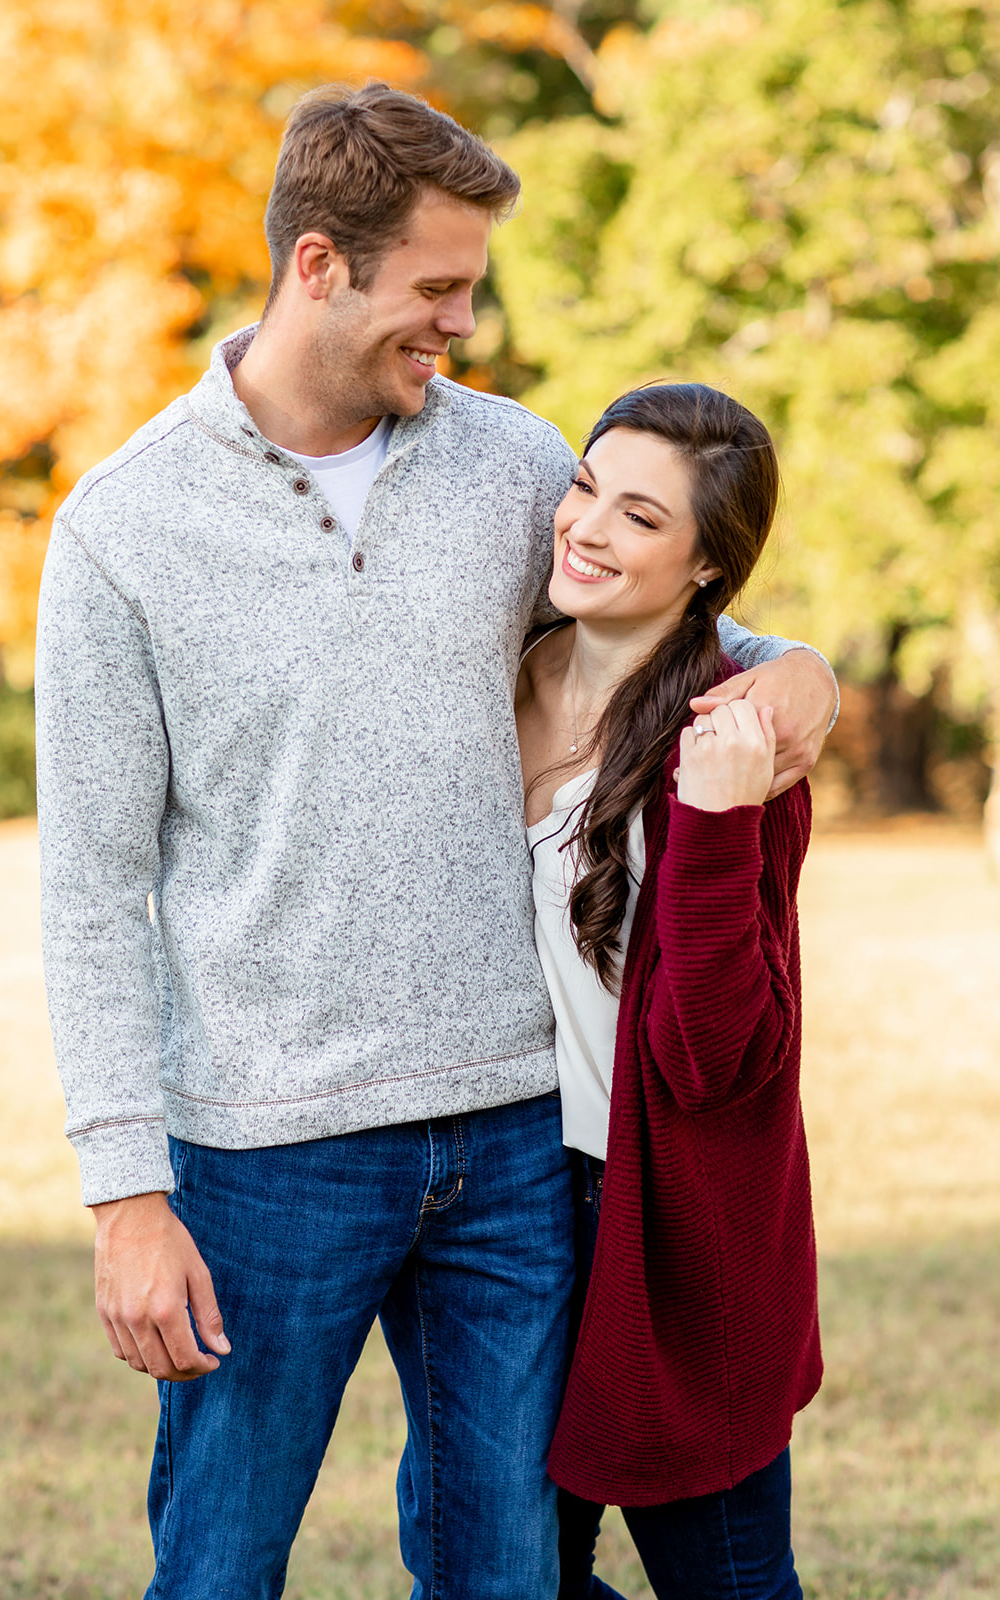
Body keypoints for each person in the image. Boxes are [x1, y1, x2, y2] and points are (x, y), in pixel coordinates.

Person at [35, 84, 835, 1599]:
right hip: (267, 1152)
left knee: (501, 1573)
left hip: (511, 1142)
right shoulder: (124, 530)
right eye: (437, 288)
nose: (461, 324)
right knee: (217, 1567)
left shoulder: (510, 462)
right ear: (318, 265)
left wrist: (802, 672)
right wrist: (125, 1194)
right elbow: (87, 891)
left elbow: (664, 604)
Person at [515, 383, 820, 1600]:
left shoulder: (738, 744)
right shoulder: (499, 675)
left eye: (639, 517)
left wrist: (715, 820)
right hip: (510, 1202)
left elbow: (713, 1054)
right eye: (585, 486)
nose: (586, 528)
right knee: (490, 1570)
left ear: (705, 567)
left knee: (727, 1584)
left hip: (674, 1222)